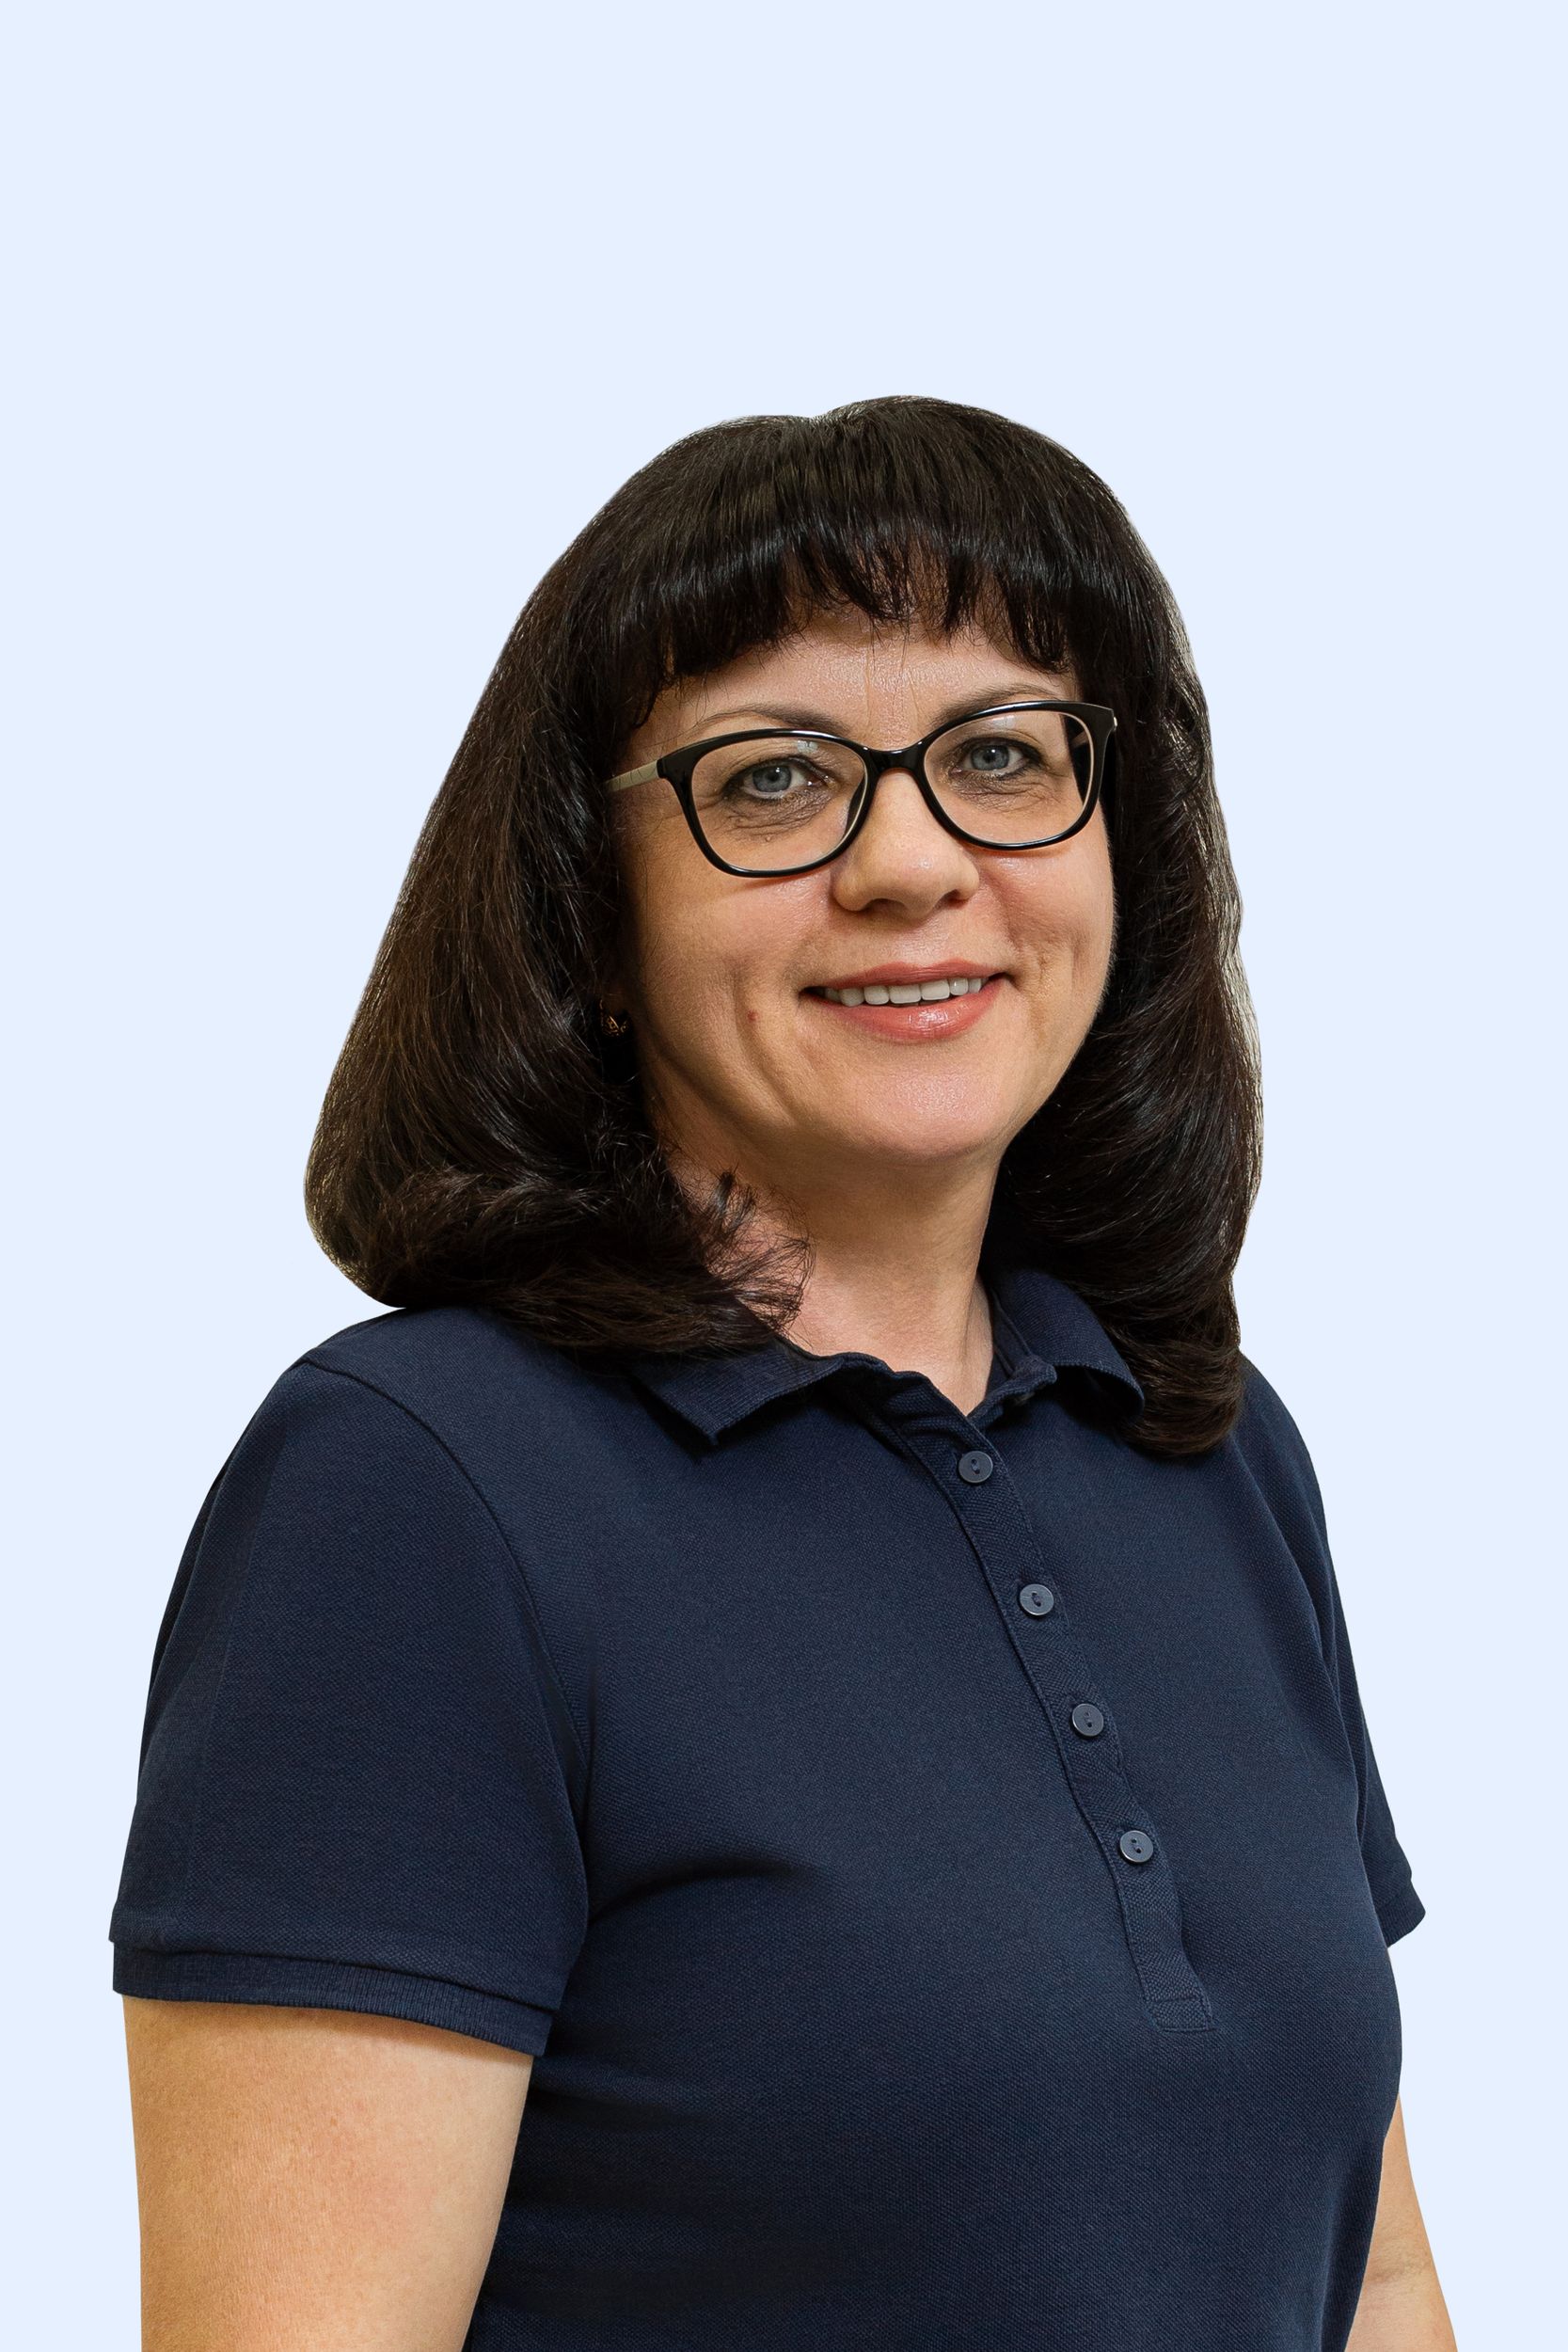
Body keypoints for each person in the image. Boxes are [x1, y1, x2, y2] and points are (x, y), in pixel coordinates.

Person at [109, 396, 1454, 2349]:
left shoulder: (1210, 1451)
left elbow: (1375, 2278)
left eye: (1002, 756)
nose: (910, 861)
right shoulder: (416, 1487)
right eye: (774, 779)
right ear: (594, 908)